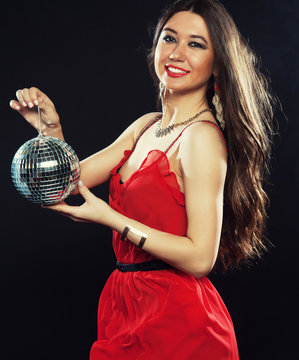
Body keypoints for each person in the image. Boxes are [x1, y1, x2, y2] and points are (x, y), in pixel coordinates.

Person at [10, 0, 275, 358]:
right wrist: (51, 130)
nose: (177, 53)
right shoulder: (146, 126)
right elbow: (65, 186)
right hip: (125, 303)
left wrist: (110, 218)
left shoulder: (201, 138)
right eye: (170, 38)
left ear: (217, 65)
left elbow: (200, 258)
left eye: (196, 44)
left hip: (179, 319)